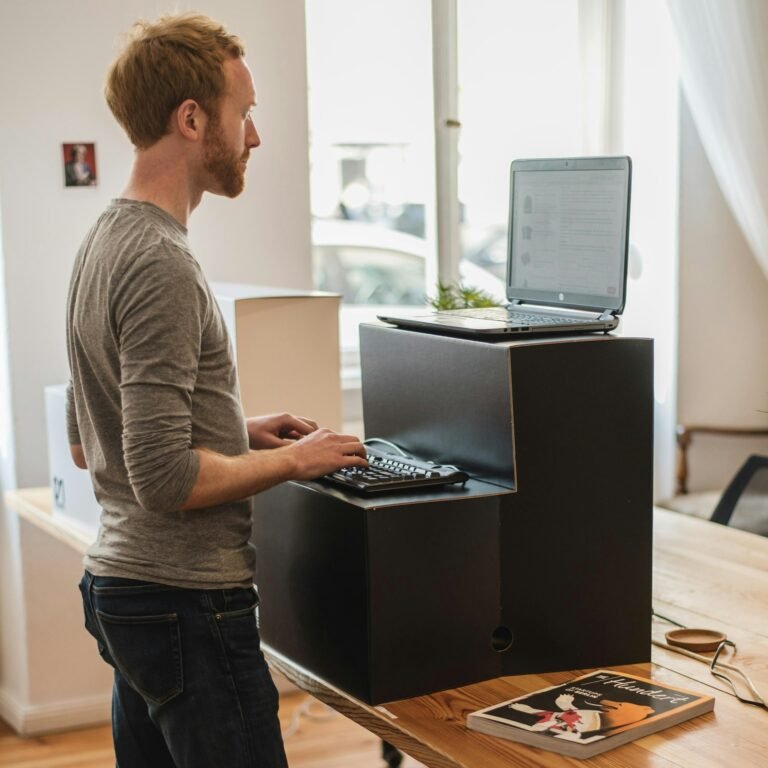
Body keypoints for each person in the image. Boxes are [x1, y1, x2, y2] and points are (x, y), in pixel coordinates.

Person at [65, 12, 368, 768]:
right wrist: (301, 461)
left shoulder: (102, 240)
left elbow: (86, 440)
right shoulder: (161, 262)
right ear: (193, 118)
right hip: (184, 602)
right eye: (246, 113)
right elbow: (163, 477)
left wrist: (237, 429)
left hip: (124, 589)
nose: (255, 137)